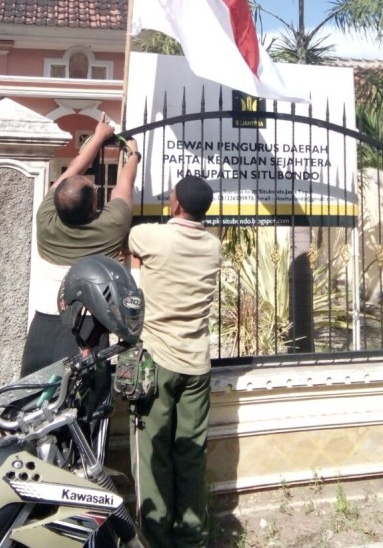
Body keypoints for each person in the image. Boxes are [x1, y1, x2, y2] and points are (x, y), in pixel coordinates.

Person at [127, 175, 222, 548]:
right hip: (197, 363)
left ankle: (155, 538)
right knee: (190, 453)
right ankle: (193, 537)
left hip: (158, 360)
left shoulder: (153, 236)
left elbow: (128, 240)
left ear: (177, 204)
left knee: (153, 454)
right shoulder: (213, 246)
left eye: (171, 196)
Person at [21, 114, 141, 376]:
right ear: (93, 206)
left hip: (44, 324)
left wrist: (97, 136)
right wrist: (132, 153)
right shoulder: (110, 227)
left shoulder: (45, 219)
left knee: (32, 400)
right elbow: (124, 186)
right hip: (88, 328)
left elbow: (73, 169)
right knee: (86, 407)